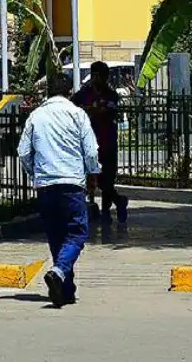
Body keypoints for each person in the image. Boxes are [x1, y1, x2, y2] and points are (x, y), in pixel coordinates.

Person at [17, 70, 100, 306]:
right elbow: (91, 151)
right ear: (69, 92)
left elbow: (23, 152)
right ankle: (60, 271)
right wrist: (92, 172)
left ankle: (65, 289)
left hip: (46, 186)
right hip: (72, 184)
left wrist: (36, 173)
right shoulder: (77, 114)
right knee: (76, 234)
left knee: (56, 237)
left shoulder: (36, 116)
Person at [73, 61, 129, 227]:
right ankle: (118, 201)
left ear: (105, 77)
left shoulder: (111, 94)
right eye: (94, 74)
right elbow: (74, 107)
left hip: (108, 143)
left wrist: (93, 110)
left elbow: (109, 111)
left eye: (99, 75)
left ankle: (106, 211)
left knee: (108, 180)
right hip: (90, 144)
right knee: (96, 179)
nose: (96, 78)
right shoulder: (83, 94)